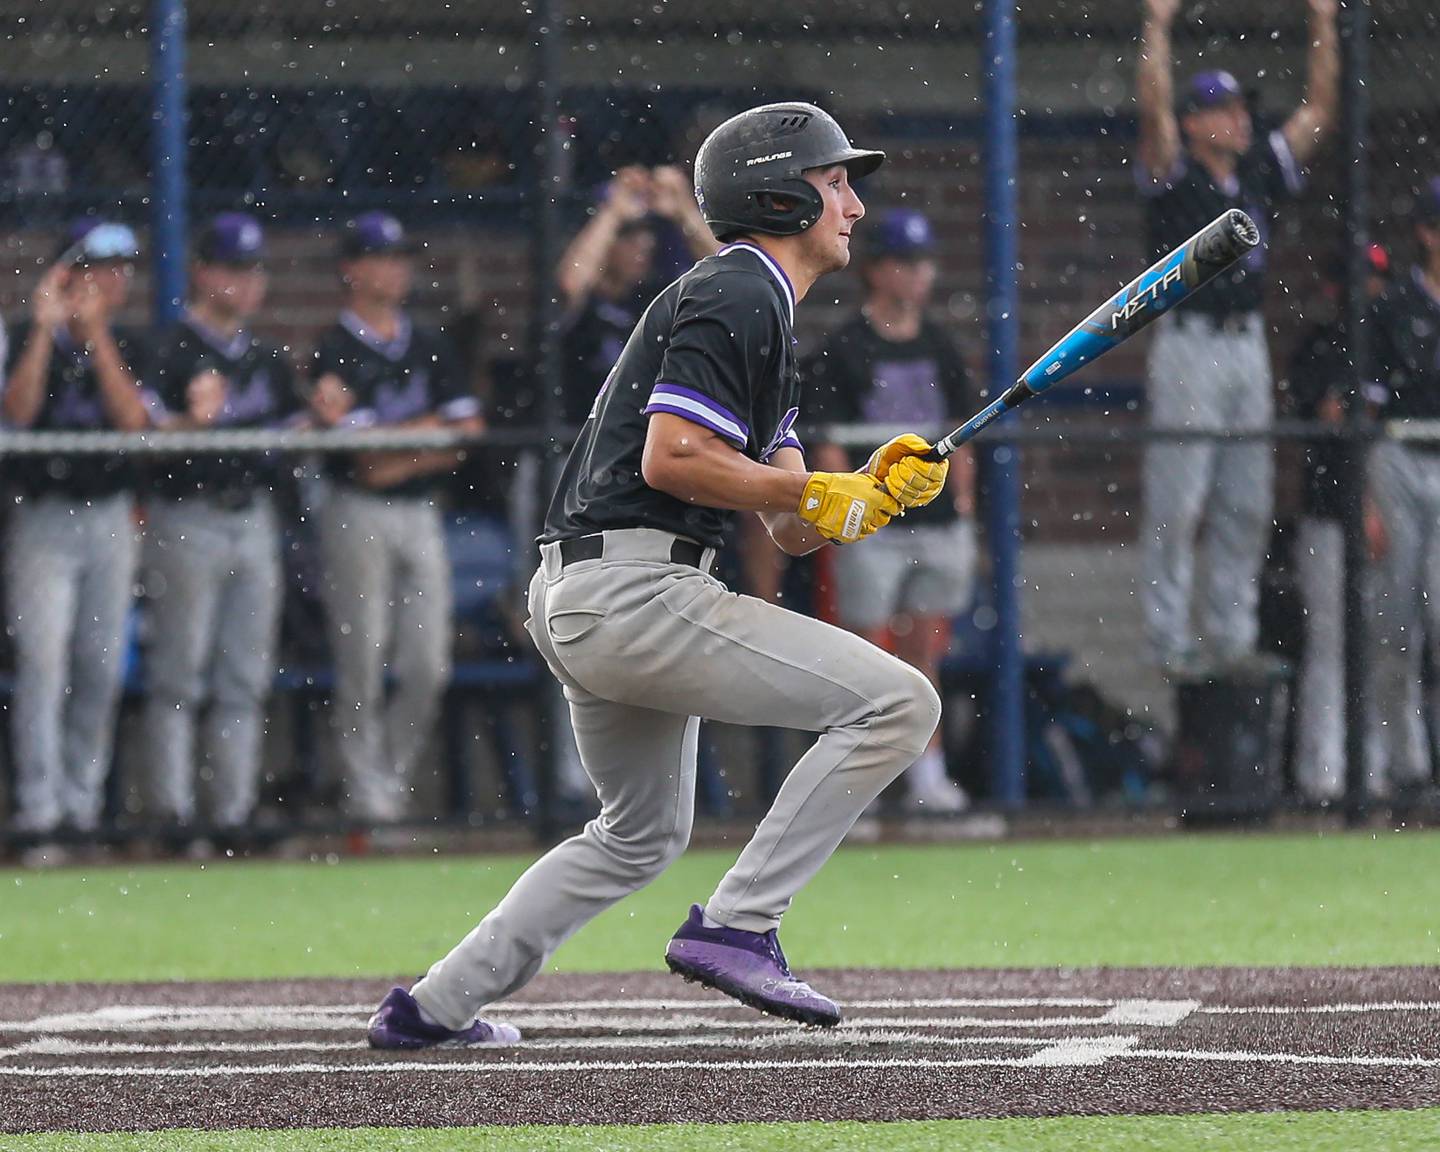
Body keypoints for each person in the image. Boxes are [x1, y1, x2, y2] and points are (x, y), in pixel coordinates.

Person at [366, 102, 948, 1049]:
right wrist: (822, 492)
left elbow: (787, 516)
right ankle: (740, 923)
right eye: (836, 181)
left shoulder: (762, 312)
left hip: (591, 595)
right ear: (777, 192)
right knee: (898, 705)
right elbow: (672, 460)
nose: (856, 205)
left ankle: (435, 1006)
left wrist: (870, 492)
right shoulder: (740, 291)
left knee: (640, 833)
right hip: (637, 591)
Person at [1135, 0, 1337, 670]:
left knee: (1246, 502)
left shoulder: (1253, 170)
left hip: (1245, 343)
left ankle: (1229, 638)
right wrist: (1158, 27)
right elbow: (1154, 114)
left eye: (1240, 108)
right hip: (1189, 341)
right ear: (1196, 123)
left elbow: (1317, 114)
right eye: (1223, 109)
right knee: (1179, 501)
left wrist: (1322, 23)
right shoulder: (1178, 171)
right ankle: (1168, 642)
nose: (1240, 118)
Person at [308, 212, 482, 826]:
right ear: (351, 270)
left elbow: (466, 431)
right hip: (356, 513)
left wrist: (397, 451)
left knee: (428, 663)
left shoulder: (429, 339)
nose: (396, 269)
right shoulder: (332, 345)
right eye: (382, 258)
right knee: (361, 656)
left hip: (418, 511)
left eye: (401, 257)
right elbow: (357, 460)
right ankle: (366, 795)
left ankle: (391, 778)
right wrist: (423, 439)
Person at [805, 208, 977, 812]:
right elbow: (826, 444)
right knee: (866, 655)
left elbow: (961, 434)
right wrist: (845, 518)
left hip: (935, 526)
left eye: (925, 263)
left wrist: (963, 507)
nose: (920, 276)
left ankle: (926, 771)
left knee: (925, 650)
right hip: (874, 528)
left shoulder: (939, 343)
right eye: (907, 263)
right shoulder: (844, 348)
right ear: (877, 270)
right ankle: (862, 779)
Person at [141, 213, 302, 851]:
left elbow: (296, 434)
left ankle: (232, 815)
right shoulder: (170, 347)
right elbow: (145, 440)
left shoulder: (264, 356)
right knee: (180, 674)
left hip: (252, 515)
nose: (247, 282)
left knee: (244, 676)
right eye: (235, 268)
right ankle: (173, 818)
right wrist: (189, 422)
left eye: (254, 269)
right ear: (204, 272)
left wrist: (320, 417)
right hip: (188, 515)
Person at [1, 221, 154, 865]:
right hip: (44, 519)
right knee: (43, 664)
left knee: (98, 663)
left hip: (110, 516)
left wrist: (95, 338)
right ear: (67, 271)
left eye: (120, 269)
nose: (112, 280)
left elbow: (132, 419)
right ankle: (41, 814)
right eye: (97, 267)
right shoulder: (19, 337)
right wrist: (44, 327)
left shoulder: (130, 343)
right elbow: (20, 411)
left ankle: (82, 807)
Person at [1283, 243, 1391, 804]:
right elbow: (1325, 418)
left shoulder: (1389, 344)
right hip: (1329, 514)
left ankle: (1371, 770)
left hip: (1386, 515)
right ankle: (1324, 772)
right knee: (1330, 643)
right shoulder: (1322, 348)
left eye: (1375, 280)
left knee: (1377, 644)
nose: (1368, 292)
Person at [1368, 180, 1440, 803]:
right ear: (1427, 233)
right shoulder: (1393, 307)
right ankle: (1407, 767)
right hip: (1399, 457)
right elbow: (1365, 411)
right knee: (1397, 623)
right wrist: (1368, 498)